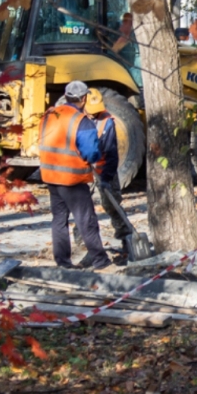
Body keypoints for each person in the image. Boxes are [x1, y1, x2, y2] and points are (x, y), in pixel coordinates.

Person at [39, 81, 112, 270]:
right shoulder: (81, 121)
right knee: (86, 220)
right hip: (71, 178)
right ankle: (100, 260)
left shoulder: (50, 115)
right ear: (83, 98)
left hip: (50, 175)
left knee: (59, 220)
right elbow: (91, 153)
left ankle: (63, 262)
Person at [84, 89, 131, 255]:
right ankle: (82, 243)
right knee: (81, 207)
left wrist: (106, 177)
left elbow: (111, 152)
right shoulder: (78, 119)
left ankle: (127, 238)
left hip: (104, 168)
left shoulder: (107, 122)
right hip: (83, 169)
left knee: (111, 205)